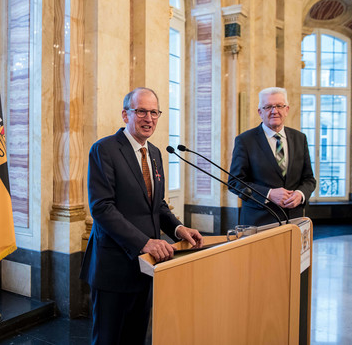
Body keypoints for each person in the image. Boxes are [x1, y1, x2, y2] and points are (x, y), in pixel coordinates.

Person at [80, 87, 203, 345]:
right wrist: (144, 242)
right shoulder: (105, 149)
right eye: (142, 112)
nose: (149, 118)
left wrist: (179, 230)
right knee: (108, 339)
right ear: (126, 115)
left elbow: (157, 205)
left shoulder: (156, 153)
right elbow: (102, 208)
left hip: (146, 265)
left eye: (154, 112)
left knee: (136, 337)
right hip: (114, 265)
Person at [228, 87, 316, 226]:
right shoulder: (245, 140)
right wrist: (268, 194)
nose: (274, 111)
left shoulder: (300, 138)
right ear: (260, 112)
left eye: (279, 106)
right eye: (268, 107)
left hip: (294, 221)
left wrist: (300, 194)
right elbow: (235, 182)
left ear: (286, 110)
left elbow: (309, 179)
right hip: (259, 222)